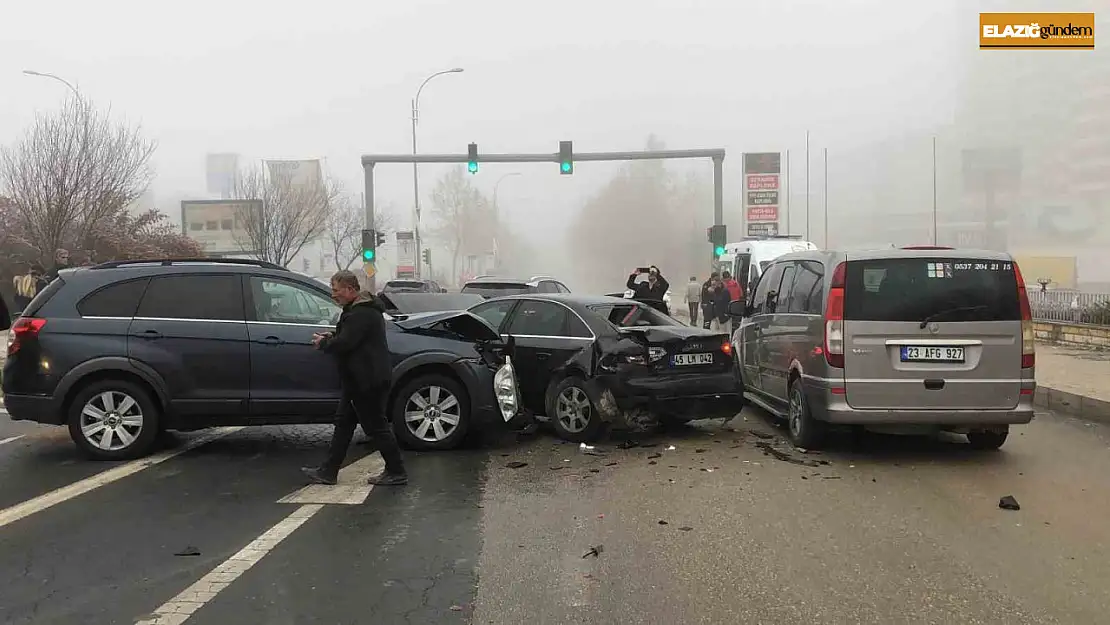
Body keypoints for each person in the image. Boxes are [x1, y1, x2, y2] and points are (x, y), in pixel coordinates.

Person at [302, 270, 408, 487]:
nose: (333, 295)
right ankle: (328, 471)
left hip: (366, 381)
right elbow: (350, 338)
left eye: (336, 290)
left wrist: (325, 344)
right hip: (358, 380)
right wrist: (332, 336)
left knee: (376, 427)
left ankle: (397, 471)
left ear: (350, 290)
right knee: (344, 424)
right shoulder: (358, 311)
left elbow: (346, 343)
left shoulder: (362, 313)